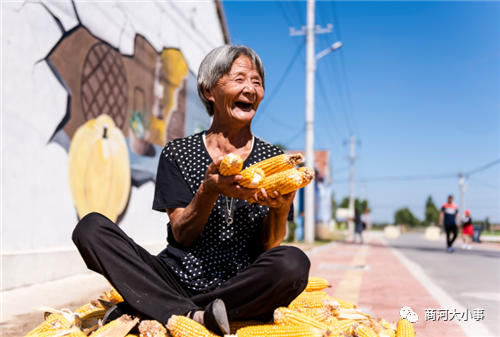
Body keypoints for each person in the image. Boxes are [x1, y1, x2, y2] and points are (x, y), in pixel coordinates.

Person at [72, 45, 310, 336]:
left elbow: (269, 244)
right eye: (239, 79)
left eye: (257, 82)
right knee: (90, 228)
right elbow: (183, 235)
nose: (250, 89)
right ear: (209, 90)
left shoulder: (274, 158)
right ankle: (192, 314)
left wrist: (281, 206)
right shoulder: (179, 153)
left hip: (242, 283)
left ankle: (160, 309)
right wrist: (208, 190)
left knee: (293, 262)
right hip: (175, 277)